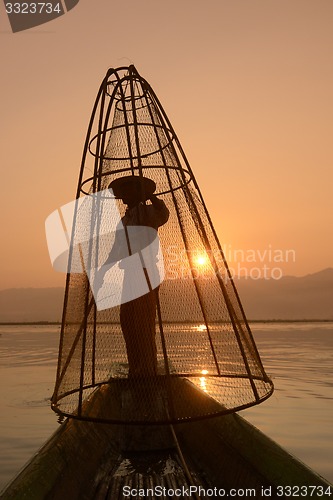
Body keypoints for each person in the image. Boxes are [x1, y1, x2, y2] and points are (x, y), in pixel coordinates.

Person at [103, 175, 169, 376]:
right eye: (123, 192)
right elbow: (117, 249)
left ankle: (147, 369)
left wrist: (150, 196)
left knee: (143, 321)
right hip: (130, 274)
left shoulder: (148, 212)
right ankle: (136, 367)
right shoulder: (125, 220)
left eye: (130, 190)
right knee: (128, 321)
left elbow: (163, 214)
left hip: (146, 272)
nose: (124, 196)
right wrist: (103, 271)